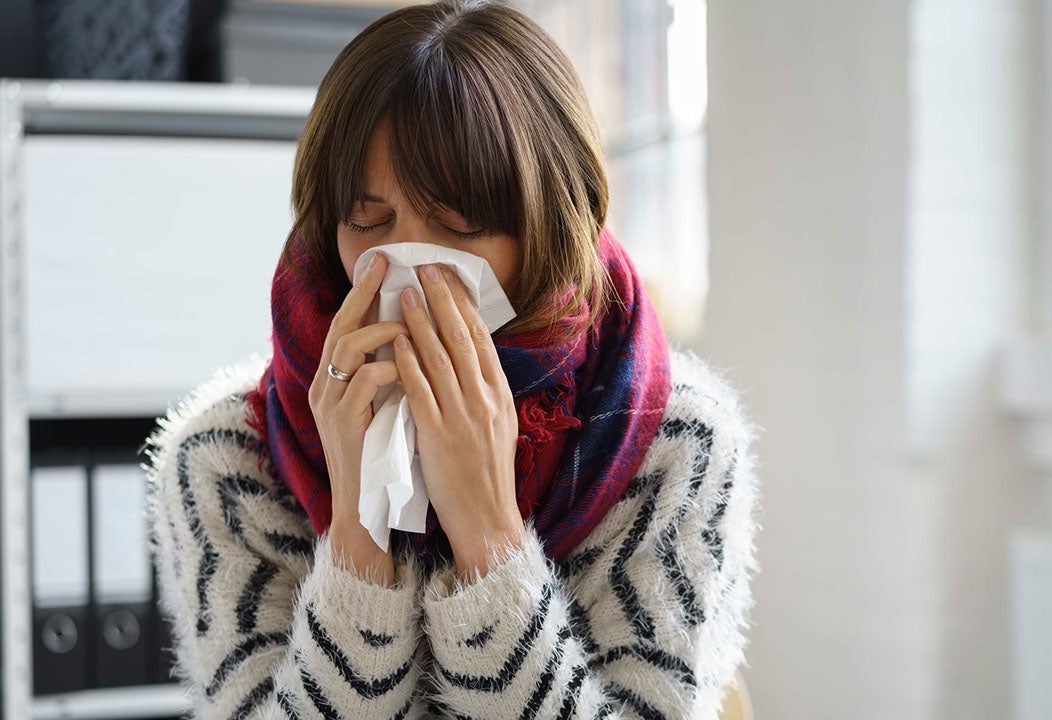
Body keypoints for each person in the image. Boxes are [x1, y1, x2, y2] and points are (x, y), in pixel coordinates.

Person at [142, 1, 761, 718]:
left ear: (555, 222)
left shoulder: (676, 444)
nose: (407, 262)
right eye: (367, 219)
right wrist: (355, 541)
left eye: (461, 222)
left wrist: (490, 536)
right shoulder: (223, 461)